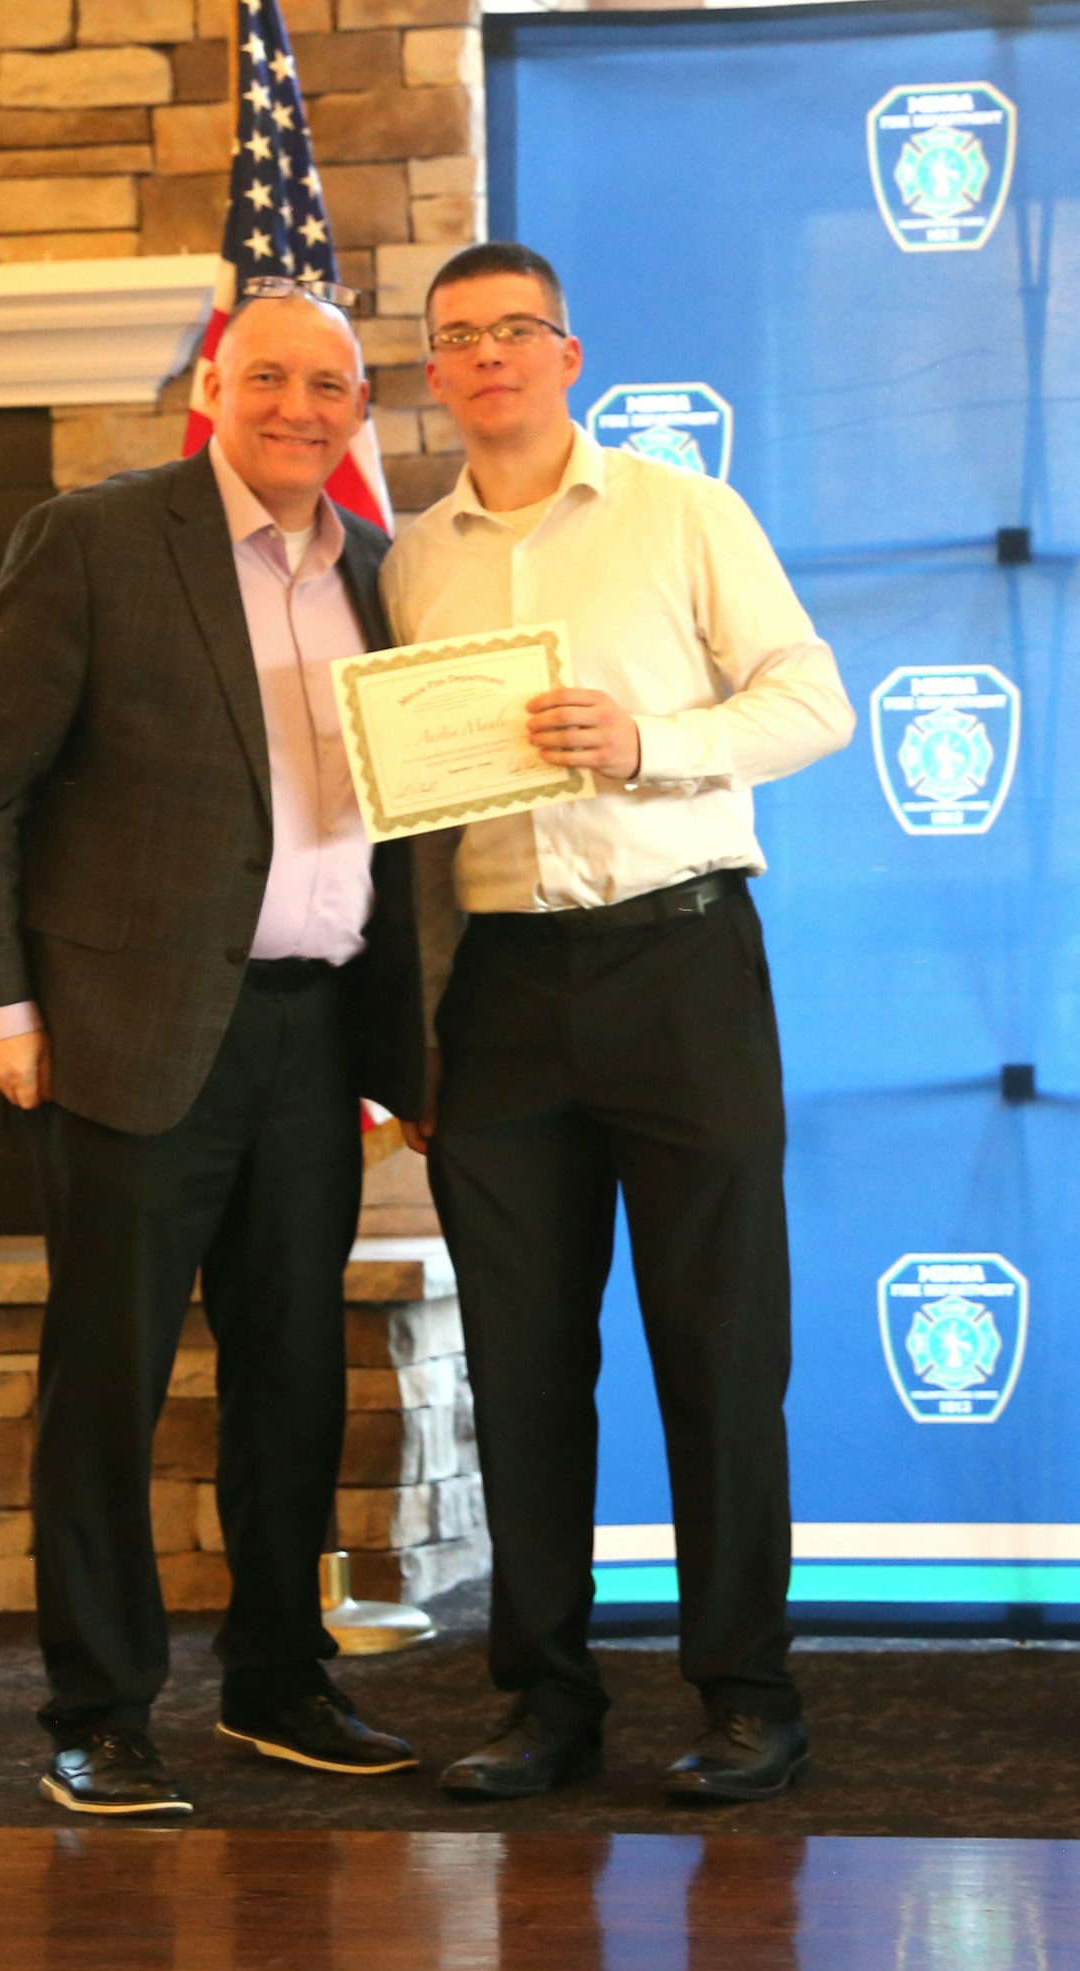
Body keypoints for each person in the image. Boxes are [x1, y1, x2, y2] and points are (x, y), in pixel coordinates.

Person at [0, 282, 425, 1816]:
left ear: (357, 414)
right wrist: (0, 1014)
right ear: (214, 386)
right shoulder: (96, 537)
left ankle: (278, 1683)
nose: (296, 409)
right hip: (121, 1042)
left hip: (310, 1037)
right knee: (110, 1382)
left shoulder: (385, 573)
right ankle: (98, 1708)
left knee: (290, 1381)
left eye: (327, 387)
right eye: (265, 377)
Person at [383, 242, 855, 1805]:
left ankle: (744, 1696)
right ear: (436, 373)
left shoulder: (681, 511)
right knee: (517, 1363)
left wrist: (648, 740)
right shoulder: (410, 562)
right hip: (507, 987)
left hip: (681, 965)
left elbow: (812, 700)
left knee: (720, 1348)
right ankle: (544, 1702)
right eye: (459, 338)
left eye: (516, 329)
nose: (489, 356)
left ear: (566, 354)